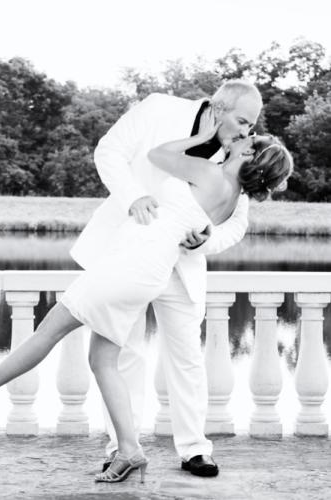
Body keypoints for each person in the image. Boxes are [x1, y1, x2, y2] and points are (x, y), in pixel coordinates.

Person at [0, 114, 293, 484]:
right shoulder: (232, 193)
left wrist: (202, 135)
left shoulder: (210, 173)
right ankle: (129, 450)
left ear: (249, 152)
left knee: (49, 331)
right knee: (103, 360)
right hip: (146, 269)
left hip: (131, 264)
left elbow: (159, 155)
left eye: (250, 136)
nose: (244, 133)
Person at [76, 80, 263, 479]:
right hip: (129, 252)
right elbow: (108, 151)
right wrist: (132, 197)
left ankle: (195, 450)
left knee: (187, 358)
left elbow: (237, 224)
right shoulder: (159, 107)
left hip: (183, 265)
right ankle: (122, 447)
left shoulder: (242, 154)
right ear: (219, 108)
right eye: (243, 121)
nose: (247, 131)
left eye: (252, 125)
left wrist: (207, 240)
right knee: (123, 352)